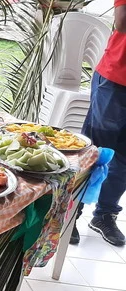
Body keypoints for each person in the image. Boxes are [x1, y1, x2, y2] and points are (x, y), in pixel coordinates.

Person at [73, 3, 126, 246]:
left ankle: (104, 215)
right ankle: (70, 214)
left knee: (124, 159)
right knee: (95, 152)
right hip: (117, 79)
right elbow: (122, 22)